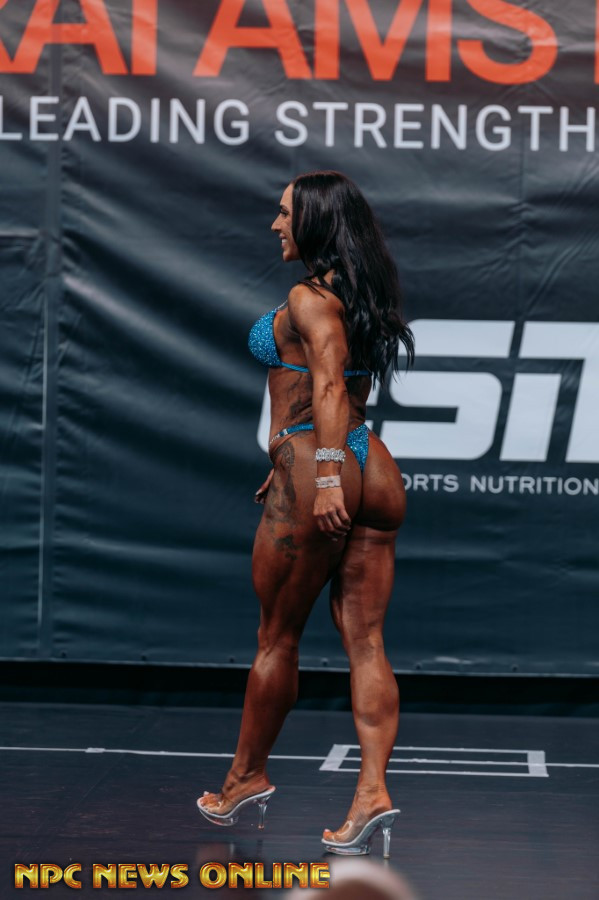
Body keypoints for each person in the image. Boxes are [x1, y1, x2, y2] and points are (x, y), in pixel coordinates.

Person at [197, 171, 415, 857]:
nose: (276, 224)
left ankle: (244, 778)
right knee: (367, 642)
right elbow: (339, 390)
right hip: (372, 463)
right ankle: (372, 792)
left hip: (322, 460)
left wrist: (320, 477)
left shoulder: (308, 298)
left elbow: (326, 385)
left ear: (315, 221)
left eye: (286, 213)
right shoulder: (362, 291)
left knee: (277, 638)